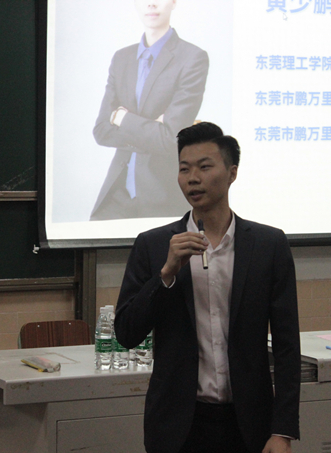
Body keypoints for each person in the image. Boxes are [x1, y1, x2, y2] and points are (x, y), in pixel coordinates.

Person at [114, 122, 301, 453]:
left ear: (232, 173)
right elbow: (126, 332)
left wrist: (282, 430)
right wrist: (166, 275)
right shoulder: (153, 245)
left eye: (204, 167)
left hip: (249, 424)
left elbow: (287, 346)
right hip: (178, 427)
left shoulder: (269, 245)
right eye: (184, 169)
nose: (192, 178)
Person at [91, 0, 209, 221]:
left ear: (173, 2)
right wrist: (153, 129)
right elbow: (101, 131)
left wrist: (122, 118)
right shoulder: (121, 58)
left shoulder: (192, 58)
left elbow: (170, 139)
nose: (151, 4)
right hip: (116, 195)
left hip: (162, 197)